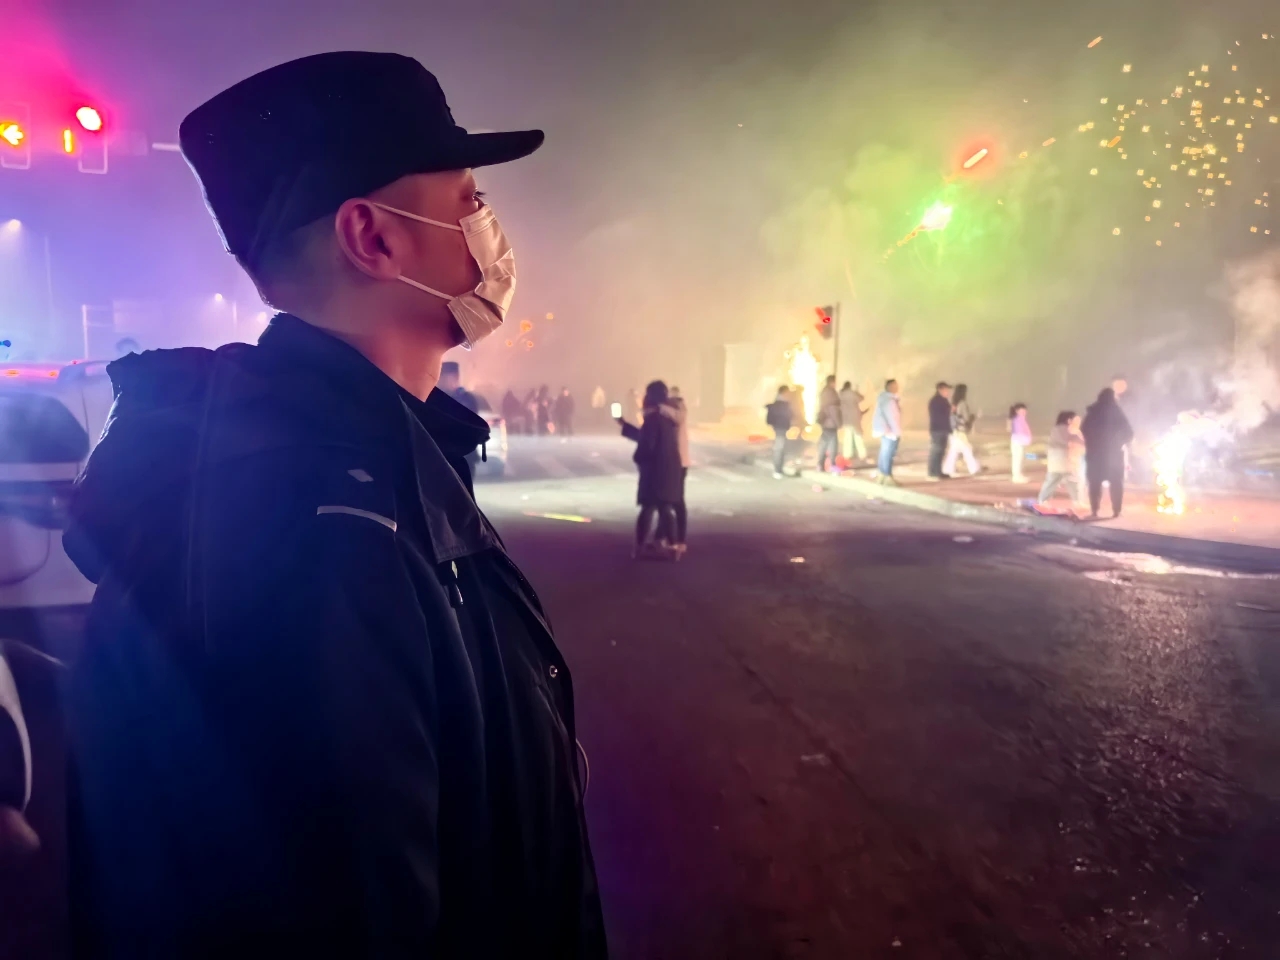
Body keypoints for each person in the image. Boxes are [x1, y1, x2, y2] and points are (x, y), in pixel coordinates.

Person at [61, 52, 605, 957]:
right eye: (469, 199)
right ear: (372, 237)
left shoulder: (345, 468)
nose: (490, 229)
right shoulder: (325, 536)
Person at [618, 380, 683, 557]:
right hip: (669, 470)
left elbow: (647, 444)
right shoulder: (667, 418)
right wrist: (624, 426)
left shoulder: (653, 419)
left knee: (648, 508)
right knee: (664, 508)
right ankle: (673, 546)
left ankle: (640, 546)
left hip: (655, 471)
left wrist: (638, 458)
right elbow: (645, 436)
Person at [1081, 387, 1134, 518]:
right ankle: (1116, 511)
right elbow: (1129, 433)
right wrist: (1119, 442)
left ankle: (1094, 510)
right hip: (1113, 455)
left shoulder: (1092, 412)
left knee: (1095, 483)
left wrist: (1092, 443)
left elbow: (1084, 430)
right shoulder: (1117, 413)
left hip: (1095, 455)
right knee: (1116, 483)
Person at [659, 386, 691, 554]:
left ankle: (679, 540)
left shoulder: (678, 409)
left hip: (679, 463)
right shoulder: (668, 412)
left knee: (676, 501)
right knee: (666, 501)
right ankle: (662, 536)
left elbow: (679, 418)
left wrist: (661, 407)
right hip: (671, 462)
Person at [1039, 410, 1085, 506]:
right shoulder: (1063, 429)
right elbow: (1072, 441)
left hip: (1059, 459)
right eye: (1076, 420)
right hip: (1062, 458)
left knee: (1055, 480)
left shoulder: (1060, 429)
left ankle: (1043, 500)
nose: (1078, 422)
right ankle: (1077, 502)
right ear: (1069, 420)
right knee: (1069, 480)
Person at [942, 382, 980, 477]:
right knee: (967, 450)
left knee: (954, 451)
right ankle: (974, 469)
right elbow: (966, 418)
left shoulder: (952, 403)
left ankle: (947, 469)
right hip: (960, 430)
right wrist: (974, 416)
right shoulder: (962, 404)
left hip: (953, 430)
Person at [871, 378, 902, 483]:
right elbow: (893, 417)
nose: (897, 388)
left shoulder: (883, 399)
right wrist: (897, 433)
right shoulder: (889, 401)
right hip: (889, 431)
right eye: (895, 385)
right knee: (888, 453)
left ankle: (882, 475)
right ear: (889, 387)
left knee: (884, 452)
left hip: (884, 430)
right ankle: (887, 475)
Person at [765, 385, 793, 479]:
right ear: (784, 392)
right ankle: (777, 470)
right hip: (780, 427)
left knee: (780, 447)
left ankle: (779, 469)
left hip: (779, 427)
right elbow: (786, 414)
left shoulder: (779, 401)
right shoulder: (783, 402)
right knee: (779, 448)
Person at [927, 381, 953, 480]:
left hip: (943, 429)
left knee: (941, 452)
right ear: (940, 390)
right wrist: (950, 410)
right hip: (937, 429)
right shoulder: (936, 401)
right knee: (936, 451)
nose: (948, 392)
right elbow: (939, 416)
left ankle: (938, 471)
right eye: (946, 390)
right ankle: (933, 472)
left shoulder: (943, 400)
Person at [816, 375, 842, 473]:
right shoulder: (831, 393)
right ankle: (832, 465)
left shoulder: (824, 392)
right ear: (832, 382)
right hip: (831, 423)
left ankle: (820, 465)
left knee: (823, 444)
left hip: (824, 422)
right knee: (833, 445)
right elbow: (833, 410)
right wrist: (839, 423)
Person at [838, 380, 866, 463]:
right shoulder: (852, 393)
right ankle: (862, 454)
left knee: (847, 437)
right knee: (858, 436)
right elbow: (861, 398)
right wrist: (857, 391)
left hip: (846, 418)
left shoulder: (841, 394)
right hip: (854, 417)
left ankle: (847, 455)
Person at [1009, 402, 1032, 483]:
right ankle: (1016, 477)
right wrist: (1026, 440)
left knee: (1020, 459)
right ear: (1017, 411)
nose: (1024, 412)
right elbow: (1019, 432)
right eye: (1022, 411)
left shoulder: (1021, 419)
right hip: (1018, 442)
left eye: (1025, 410)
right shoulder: (1017, 419)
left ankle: (1019, 475)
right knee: (1017, 460)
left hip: (1020, 442)